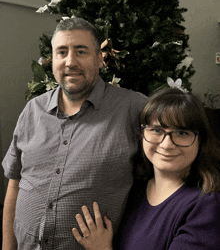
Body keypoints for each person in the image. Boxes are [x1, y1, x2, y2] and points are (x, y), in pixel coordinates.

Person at [2, 18, 147, 250]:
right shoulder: (33, 110)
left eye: (81, 51)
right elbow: (15, 183)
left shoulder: (133, 108)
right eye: (62, 52)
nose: (70, 62)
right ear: (52, 60)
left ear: (100, 59)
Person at [72, 88, 220, 250]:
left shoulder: (205, 206)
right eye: (157, 130)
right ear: (142, 133)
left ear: (201, 141)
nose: (166, 144)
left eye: (182, 132)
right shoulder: (133, 188)